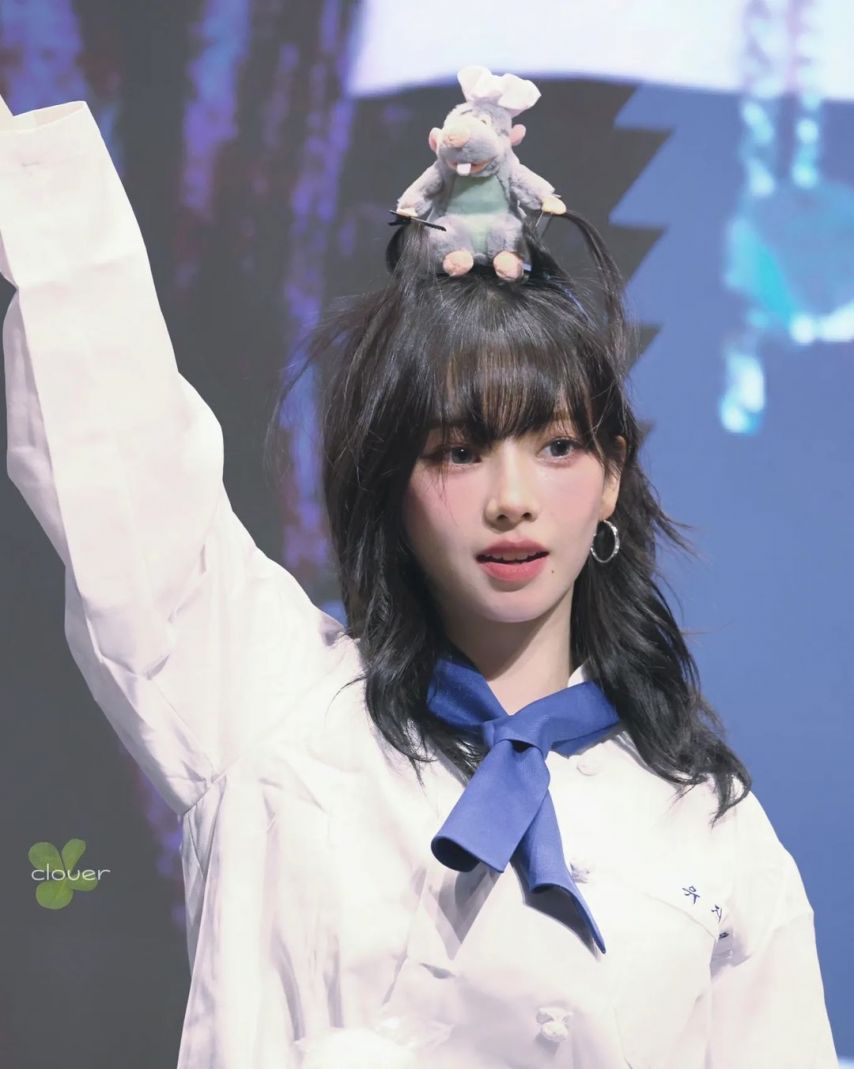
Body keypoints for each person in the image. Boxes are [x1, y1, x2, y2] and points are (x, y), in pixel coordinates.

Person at [0, 93, 838, 1069]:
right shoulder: (273, 707)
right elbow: (126, 459)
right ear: (391, 483)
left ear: (611, 475)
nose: (511, 500)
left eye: (555, 447)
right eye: (458, 451)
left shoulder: (705, 822)